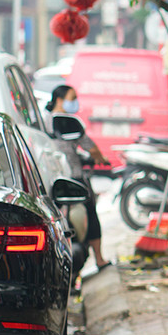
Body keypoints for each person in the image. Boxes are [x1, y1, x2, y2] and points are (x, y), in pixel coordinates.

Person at [47, 83, 111, 270]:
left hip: (50, 176)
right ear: (60, 100)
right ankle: (99, 259)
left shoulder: (44, 120)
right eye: (72, 98)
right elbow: (91, 146)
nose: (75, 102)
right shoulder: (67, 121)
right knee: (91, 211)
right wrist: (100, 159)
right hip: (73, 176)